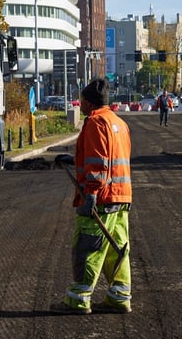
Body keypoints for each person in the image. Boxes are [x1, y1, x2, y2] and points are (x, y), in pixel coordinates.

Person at [51, 78, 133, 315]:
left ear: (89, 102)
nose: (81, 105)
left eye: (83, 101)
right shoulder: (118, 123)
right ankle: (119, 297)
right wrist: (75, 161)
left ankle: (78, 299)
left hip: (102, 199)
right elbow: (112, 160)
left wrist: (91, 194)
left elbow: (99, 162)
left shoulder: (95, 123)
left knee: (88, 247)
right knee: (116, 248)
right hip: (121, 197)